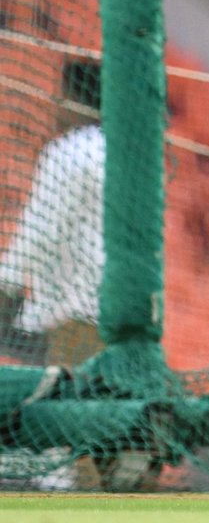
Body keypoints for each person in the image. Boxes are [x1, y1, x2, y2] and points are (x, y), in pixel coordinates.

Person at [0, 56, 105, 370]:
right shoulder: (128, 159)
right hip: (117, 320)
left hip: (72, 317)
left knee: (63, 409)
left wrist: (6, 285)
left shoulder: (72, 148)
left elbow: (40, 231)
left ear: (76, 98)